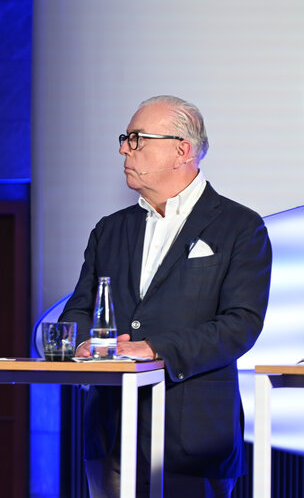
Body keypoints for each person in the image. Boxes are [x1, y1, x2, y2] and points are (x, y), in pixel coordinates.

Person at [59, 95, 272, 497]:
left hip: (193, 441)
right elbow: (80, 309)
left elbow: (240, 324)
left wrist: (153, 348)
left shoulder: (240, 227)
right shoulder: (109, 230)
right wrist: (85, 342)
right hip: (109, 438)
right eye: (125, 139)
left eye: (137, 139)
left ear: (182, 150)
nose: (124, 148)